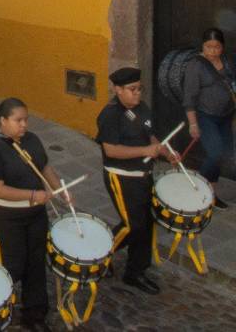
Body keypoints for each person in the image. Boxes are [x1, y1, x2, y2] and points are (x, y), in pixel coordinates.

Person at [0, 97, 67, 331]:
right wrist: (32, 195)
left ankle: (35, 314)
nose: (24, 125)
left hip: (35, 214)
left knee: (36, 263)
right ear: (3, 120)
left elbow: (44, 166)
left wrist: (58, 188)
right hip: (5, 217)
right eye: (18, 120)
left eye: (26, 119)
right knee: (10, 265)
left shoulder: (32, 140)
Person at [98, 67, 180, 294]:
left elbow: (150, 134)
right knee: (131, 225)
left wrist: (165, 152)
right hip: (121, 177)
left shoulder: (142, 108)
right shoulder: (110, 115)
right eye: (131, 89)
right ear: (117, 90)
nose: (137, 94)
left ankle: (136, 272)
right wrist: (146, 149)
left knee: (146, 223)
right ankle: (99, 257)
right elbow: (111, 150)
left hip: (143, 176)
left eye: (139, 89)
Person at [183, 28, 236, 206]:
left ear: (222, 47)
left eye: (217, 47)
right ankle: (196, 187)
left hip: (226, 116)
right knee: (215, 152)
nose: (212, 51)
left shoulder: (227, 62)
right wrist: (193, 124)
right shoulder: (196, 65)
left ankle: (211, 194)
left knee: (224, 154)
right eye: (208, 47)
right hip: (206, 117)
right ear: (202, 46)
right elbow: (189, 97)